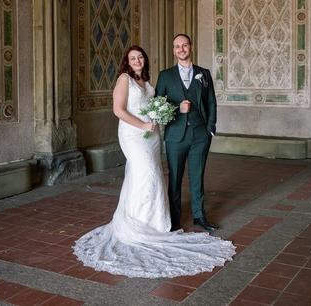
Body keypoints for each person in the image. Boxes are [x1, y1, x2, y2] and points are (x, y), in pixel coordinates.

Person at [73, 45, 235, 278]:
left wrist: (165, 116)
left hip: (152, 137)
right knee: (145, 174)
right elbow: (118, 110)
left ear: (144, 60)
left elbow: (161, 107)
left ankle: (156, 225)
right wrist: (143, 125)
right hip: (134, 135)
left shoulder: (148, 84)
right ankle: (137, 227)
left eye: (140, 57)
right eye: (133, 58)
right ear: (127, 62)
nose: (137, 60)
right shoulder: (124, 80)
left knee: (154, 177)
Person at [155, 34, 218, 232]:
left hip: (200, 135)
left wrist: (210, 129)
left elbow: (211, 102)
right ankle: (174, 219)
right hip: (175, 136)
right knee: (175, 178)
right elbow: (157, 106)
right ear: (173, 51)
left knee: (197, 176)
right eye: (177, 46)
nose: (181, 49)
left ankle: (199, 215)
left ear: (190, 47)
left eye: (184, 45)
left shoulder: (204, 74)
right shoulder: (165, 76)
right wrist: (176, 108)